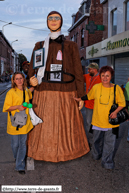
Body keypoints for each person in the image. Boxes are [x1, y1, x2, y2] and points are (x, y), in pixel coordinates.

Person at [27, 11, 90, 162]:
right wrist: (31, 79)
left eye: (57, 18)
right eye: (50, 18)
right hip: (44, 91)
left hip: (66, 91)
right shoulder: (39, 45)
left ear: (61, 22)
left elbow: (78, 71)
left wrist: (81, 96)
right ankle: (41, 152)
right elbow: (31, 69)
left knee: (66, 126)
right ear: (47, 22)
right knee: (44, 125)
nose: (54, 21)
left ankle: (67, 152)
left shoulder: (71, 45)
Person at [74, 66, 125, 170]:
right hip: (97, 121)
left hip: (111, 122)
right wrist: (79, 98)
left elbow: (122, 104)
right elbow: (89, 96)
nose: (105, 78)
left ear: (111, 76)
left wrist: (115, 112)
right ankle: (96, 154)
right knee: (96, 140)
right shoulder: (96, 87)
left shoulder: (116, 88)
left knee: (110, 143)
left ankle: (107, 162)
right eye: (103, 75)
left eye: (107, 76)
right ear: (100, 76)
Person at [3, 72, 34, 174]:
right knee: (15, 144)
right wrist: (17, 107)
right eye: (17, 79)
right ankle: (18, 158)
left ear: (24, 79)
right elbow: (7, 107)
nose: (19, 80)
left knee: (22, 144)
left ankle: (20, 165)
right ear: (14, 81)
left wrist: (35, 85)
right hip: (14, 123)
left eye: (21, 78)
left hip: (24, 122)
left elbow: (30, 92)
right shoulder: (11, 92)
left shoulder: (25, 91)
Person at [83, 62, 101, 146]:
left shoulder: (101, 78)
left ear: (95, 69)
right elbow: (78, 78)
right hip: (88, 105)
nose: (88, 70)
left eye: (89, 69)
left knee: (97, 124)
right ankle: (91, 141)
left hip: (98, 106)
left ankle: (97, 140)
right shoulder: (87, 76)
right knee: (88, 123)